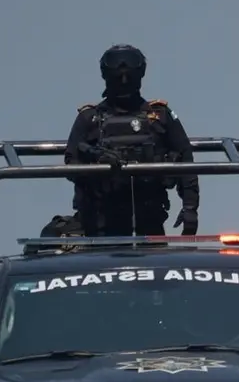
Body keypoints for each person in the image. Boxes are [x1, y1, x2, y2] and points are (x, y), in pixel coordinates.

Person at [59, 44, 200, 237]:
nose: (124, 80)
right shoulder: (89, 119)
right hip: (101, 224)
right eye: (118, 75)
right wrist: (97, 164)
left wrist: (190, 208)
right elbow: (70, 164)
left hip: (150, 219)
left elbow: (185, 160)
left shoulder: (160, 116)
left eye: (129, 75)